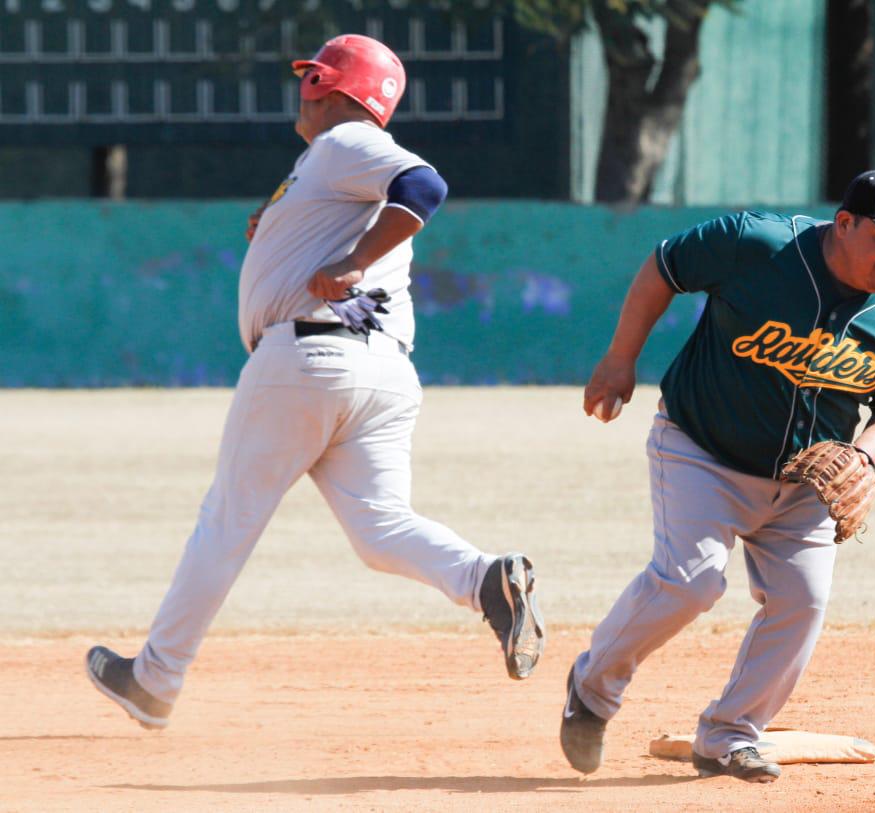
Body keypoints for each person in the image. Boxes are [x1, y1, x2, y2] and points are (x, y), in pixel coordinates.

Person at [85, 34, 544, 731]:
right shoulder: (329, 167)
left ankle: (155, 678)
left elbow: (425, 185)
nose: (303, 86)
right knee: (381, 529)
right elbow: (370, 207)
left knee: (226, 523)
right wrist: (278, 228)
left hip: (308, 361)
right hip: (383, 372)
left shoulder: (344, 143)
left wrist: (355, 259)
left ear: (329, 87)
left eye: (312, 76)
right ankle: (487, 579)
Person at [560, 169, 875, 783]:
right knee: (690, 583)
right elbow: (664, 267)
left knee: (803, 601)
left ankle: (729, 736)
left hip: (806, 483)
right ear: (844, 224)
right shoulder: (755, 243)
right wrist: (620, 358)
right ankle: (592, 690)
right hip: (702, 450)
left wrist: (864, 455)